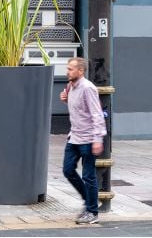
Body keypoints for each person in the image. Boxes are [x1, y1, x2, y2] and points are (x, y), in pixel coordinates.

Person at [60, 57, 107, 224]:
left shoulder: (88, 88)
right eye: (67, 68)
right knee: (68, 170)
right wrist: (66, 99)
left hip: (88, 139)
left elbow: (96, 114)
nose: (68, 71)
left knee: (88, 176)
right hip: (74, 137)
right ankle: (89, 201)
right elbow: (78, 109)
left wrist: (97, 139)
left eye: (71, 69)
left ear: (81, 71)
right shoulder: (70, 87)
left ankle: (92, 211)